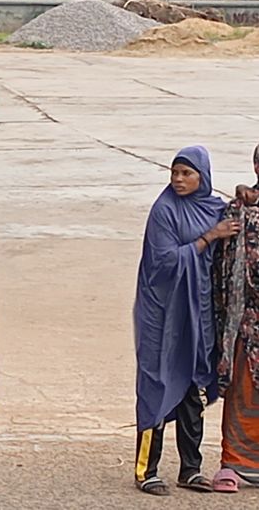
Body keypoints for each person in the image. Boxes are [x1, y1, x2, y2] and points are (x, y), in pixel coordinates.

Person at [133, 146, 236, 496]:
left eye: (186, 174)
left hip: (197, 313)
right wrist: (208, 239)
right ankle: (146, 470)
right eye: (174, 172)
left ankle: (190, 469)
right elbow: (162, 263)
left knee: (193, 388)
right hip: (162, 312)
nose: (178, 179)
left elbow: (240, 221)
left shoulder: (213, 208)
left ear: (203, 177)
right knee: (158, 386)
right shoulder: (164, 211)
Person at [212, 177, 259, 492]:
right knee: (242, 391)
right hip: (245, 318)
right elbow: (221, 265)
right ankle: (235, 464)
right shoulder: (238, 209)